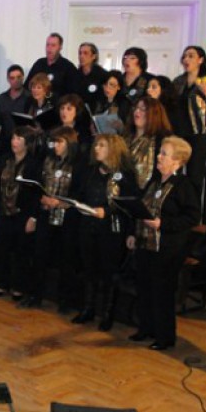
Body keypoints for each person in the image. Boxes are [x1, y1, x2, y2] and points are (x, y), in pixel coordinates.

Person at [126, 136, 200, 350]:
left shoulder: (184, 185)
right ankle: (145, 329)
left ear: (177, 161)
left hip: (168, 248)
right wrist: (132, 233)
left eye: (164, 154)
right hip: (145, 243)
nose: (158, 156)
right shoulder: (154, 181)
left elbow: (192, 217)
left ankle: (165, 337)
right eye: (160, 152)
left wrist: (163, 224)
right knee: (144, 287)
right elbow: (141, 208)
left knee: (162, 291)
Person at [73, 134, 137, 331]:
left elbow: (130, 204)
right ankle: (88, 308)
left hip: (112, 228)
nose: (96, 148)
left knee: (109, 272)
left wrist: (107, 211)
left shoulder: (124, 174)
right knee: (89, 269)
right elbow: (80, 193)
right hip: (88, 225)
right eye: (96, 145)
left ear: (113, 149)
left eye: (101, 145)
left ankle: (108, 314)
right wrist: (78, 205)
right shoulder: (91, 171)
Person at [23, 127, 86, 311]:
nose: (55, 146)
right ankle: (35, 295)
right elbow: (38, 185)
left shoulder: (79, 164)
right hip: (45, 214)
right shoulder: (47, 160)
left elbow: (80, 191)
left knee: (67, 259)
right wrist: (41, 200)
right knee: (39, 256)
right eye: (54, 142)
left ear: (70, 143)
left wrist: (59, 202)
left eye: (60, 142)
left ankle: (65, 300)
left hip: (68, 218)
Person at [0, 127, 41, 300]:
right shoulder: (5, 159)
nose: (14, 142)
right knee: (1, 249)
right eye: (13, 138)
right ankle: (2, 283)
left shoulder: (34, 164)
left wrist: (33, 217)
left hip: (22, 213)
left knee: (21, 252)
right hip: (4, 211)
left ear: (27, 143)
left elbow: (36, 193)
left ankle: (18, 287)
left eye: (19, 139)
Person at [172, 45, 206, 196]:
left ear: (200, 60)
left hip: (199, 135)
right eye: (184, 56)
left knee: (195, 178)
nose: (186, 59)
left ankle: (192, 209)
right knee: (174, 175)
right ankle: (174, 208)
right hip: (178, 135)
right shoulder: (178, 81)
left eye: (191, 56)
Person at [125, 96, 172, 191]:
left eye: (143, 109)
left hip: (147, 192)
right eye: (136, 108)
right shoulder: (126, 137)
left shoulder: (162, 139)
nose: (137, 112)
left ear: (154, 114)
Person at [0, 64, 30, 152]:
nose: (16, 80)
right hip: (4, 144)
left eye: (18, 77)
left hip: (24, 144)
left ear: (23, 77)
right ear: (8, 79)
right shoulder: (1, 98)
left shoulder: (30, 98)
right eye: (12, 78)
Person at [92, 70, 129, 135]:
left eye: (111, 85)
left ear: (119, 87)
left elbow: (127, 127)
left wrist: (119, 125)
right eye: (105, 84)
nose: (107, 88)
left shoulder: (124, 103)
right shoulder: (99, 101)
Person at [75, 42, 106, 112]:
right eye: (80, 53)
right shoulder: (75, 74)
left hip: (95, 113)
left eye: (85, 53)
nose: (81, 56)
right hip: (78, 113)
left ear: (94, 56)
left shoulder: (102, 75)